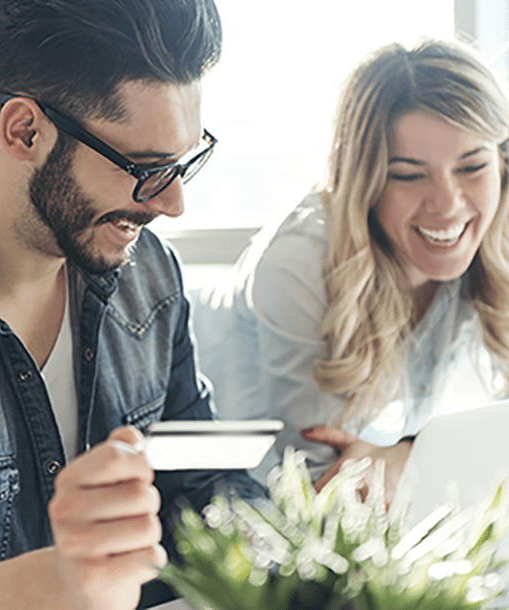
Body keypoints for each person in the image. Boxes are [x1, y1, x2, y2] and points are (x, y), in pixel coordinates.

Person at [0, 1, 266, 609]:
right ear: (25, 131)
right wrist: (43, 589)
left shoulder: (148, 276)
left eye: (183, 162)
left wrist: (294, 553)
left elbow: (203, 480)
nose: (172, 205)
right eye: (145, 169)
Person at [191, 38, 509, 505]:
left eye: (472, 166)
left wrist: (404, 454)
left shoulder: (495, 229)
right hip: (212, 475)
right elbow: (327, 481)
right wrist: (404, 458)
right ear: (365, 179)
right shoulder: (301, 262)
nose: (448, 204)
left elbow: (380, 468)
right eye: (408, 173)